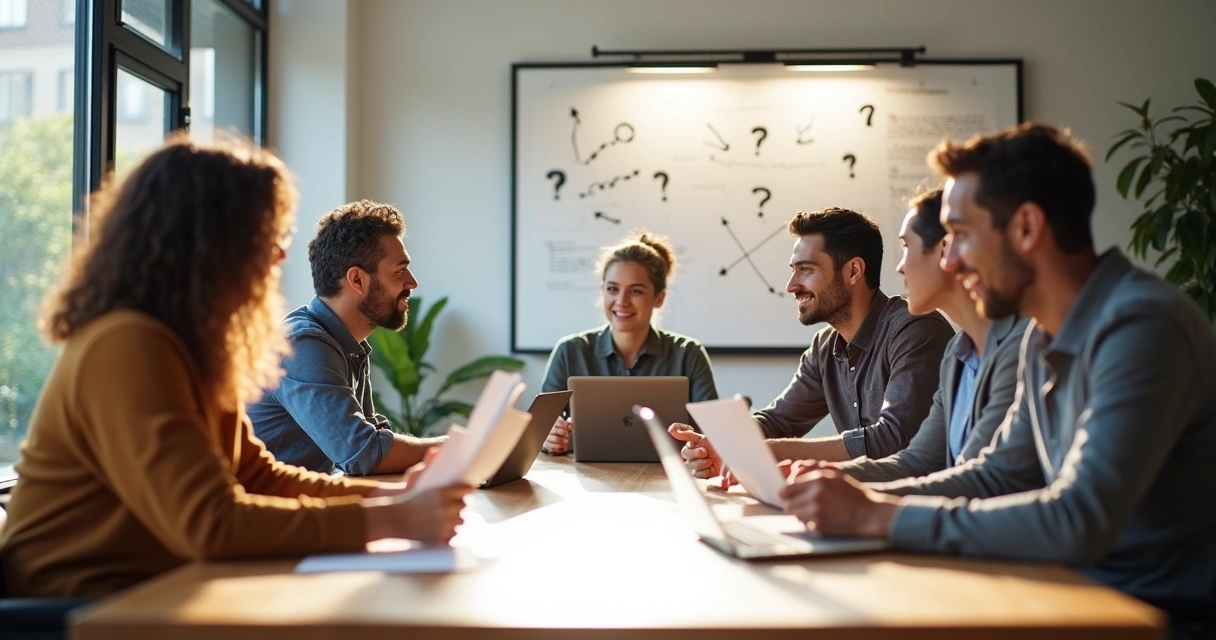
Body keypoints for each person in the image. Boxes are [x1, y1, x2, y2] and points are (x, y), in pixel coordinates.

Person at [0, 137, 471, 598]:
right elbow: (211, 523)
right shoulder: (128, 343)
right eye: (267, 236)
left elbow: (259, 478)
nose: (281, 254)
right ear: (208, 243)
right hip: (72, 610)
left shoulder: (195, 349)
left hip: (150, 590)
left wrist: (396, 500)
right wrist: (391, 518)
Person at [781, 124, 1216, 606]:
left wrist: (875, 516)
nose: (954, 261)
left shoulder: (1141, 326)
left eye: (962, 236)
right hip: (1074, 593)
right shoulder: (1039, 334)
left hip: (1154, 615)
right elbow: (996, 476)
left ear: (1027, 228)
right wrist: (854, 496)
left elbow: (1079, 518)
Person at [672, 208, 955, 473]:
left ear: (853, 271)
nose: (791, 285)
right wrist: (720, 444)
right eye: (793, 269)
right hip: (855, 505)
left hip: (915, 510)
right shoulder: (825, 346)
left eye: (806, 270)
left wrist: (759, 452)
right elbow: (777, 421)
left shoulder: (915, 330)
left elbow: (893, 439)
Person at [818, 188, 1027, 483]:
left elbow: (981, 481)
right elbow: (918, 460)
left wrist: (865, 505)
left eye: (906, 246)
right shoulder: (957, 352)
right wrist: (822, 475)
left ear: (945, 248)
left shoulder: (1021, 349)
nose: (900, 266)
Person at [248, 200, 443, 475]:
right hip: (265, 514)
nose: (412, 282)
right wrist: (459, 447)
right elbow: (363, 452)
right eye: (399, 271)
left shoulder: (346, 343)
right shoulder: (303, 344)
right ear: (358, 280)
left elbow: (373, 438)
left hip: (299, 507)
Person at [541, 232, 717, 455]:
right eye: (613, 289)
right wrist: (549, 437)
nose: (622, 302)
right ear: (602, 291)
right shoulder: (570, 351)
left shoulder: (689, 354)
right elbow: (541, 429)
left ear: (659, 298)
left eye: (635, 291)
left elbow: (710, 435)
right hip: (586, 477)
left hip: (666, 477)